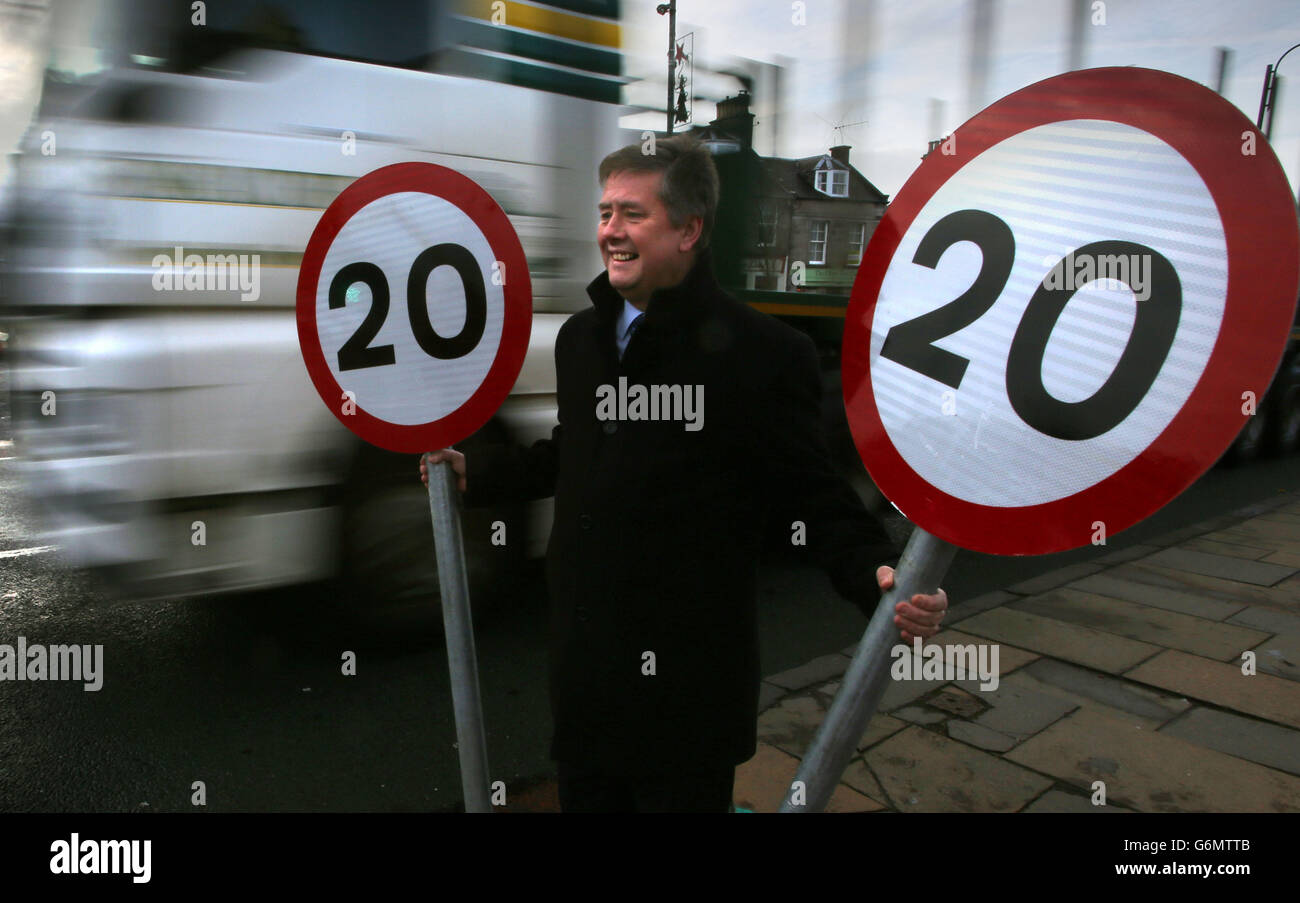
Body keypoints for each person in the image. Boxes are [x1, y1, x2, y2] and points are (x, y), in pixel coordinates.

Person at [421, 135, 947, 812]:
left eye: (632, 214)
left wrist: (879, 572)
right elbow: (574, 448)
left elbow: (813, 496)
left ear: (689, 229)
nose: (610, 230)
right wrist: (480, 476)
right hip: (586, 681)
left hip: (688, 700)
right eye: (606, 212)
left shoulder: (763, 354)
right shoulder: (580, 340)